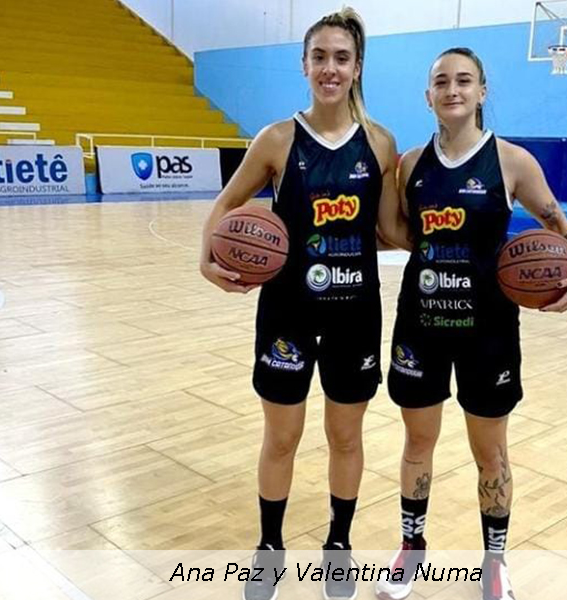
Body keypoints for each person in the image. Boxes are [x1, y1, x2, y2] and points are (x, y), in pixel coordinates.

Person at [374, 47, 567, 600]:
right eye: (441, 82)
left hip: (489, 330)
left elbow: (556, 221)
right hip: (421, 324)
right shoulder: (409, 165)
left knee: (491, 453)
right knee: (417, 442)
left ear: (481, 91)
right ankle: (411, 547)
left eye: (464, 80)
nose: (452, 90)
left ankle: (494, 562)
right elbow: (398, 234)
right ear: (428, 95)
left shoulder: (512, 161)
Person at [199, 8, 401, 600]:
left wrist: (458, 244)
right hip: (287, 311)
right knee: (281, 437)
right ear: (305, 65)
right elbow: (226, 205)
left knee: (346, 437)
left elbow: (389, 230)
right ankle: (269, 547)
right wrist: (206, 259)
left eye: (342, 58)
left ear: (357, 67)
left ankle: (338, 545)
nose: (330, 68)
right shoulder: (277, 139)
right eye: (319, 57)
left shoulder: (380, 143)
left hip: (354, 313)